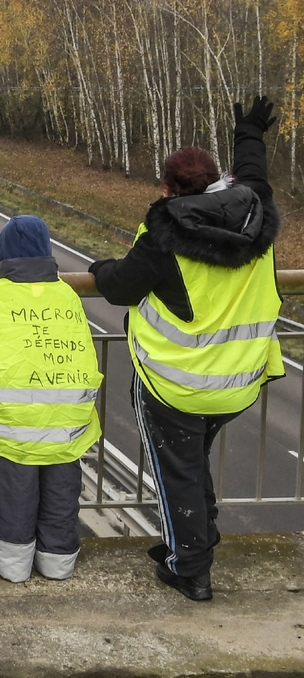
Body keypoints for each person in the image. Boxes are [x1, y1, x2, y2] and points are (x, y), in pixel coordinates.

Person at [89, 96, 283, 601]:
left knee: (177, 474)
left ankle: (190, 568)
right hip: (241, 380)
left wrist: (98, 268)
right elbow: (255, 175)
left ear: (169, 189)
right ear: (219, 181)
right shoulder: (255, 215)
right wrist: (250, 132)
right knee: (192, 463)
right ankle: (196, 538)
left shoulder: (164, 234)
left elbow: (121, 288)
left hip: (175, 385)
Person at [0, 215, 102, 583]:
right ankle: (58, 562)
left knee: (14, 497)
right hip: (67, 427)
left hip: (14, 429)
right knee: (61, 497)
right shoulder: (69, 295)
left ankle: (13, 566)